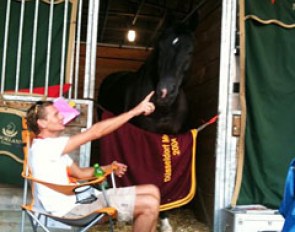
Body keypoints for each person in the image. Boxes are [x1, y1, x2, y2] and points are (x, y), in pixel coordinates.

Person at [26, 91, 160, 232]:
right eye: (55, 114)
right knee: (149, 205)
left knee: (153, 191)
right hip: (73, 210)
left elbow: (81, 174)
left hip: (86, 199)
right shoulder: (46, 147)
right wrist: (134, 112)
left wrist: (108, 168)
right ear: (42, 123)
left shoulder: (50, 147)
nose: (62, 116)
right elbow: (95, 132)